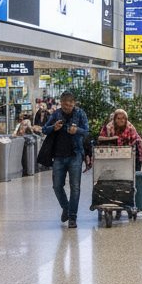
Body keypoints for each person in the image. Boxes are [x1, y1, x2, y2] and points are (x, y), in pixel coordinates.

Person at [42, 92, 91, 228]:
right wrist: (54, 127)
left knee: (75, 187)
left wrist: (77, 130)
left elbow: (87, 131)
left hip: (75, 155)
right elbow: (44, 129)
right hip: (58, 156)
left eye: (70, 104)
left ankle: (72, 217)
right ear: (61, 103)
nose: (67, 106)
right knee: (57, 186)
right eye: (65, 103)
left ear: (74, 103)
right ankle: (66, 207)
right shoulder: (56, 114)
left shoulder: (80, 113)